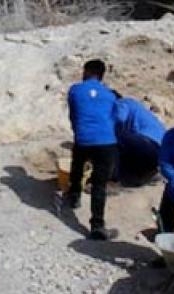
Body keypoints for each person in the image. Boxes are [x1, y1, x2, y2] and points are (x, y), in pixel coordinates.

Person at [62, 59, 117, 240]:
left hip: (84, 138)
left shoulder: (75, 90)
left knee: (78, 163)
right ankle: (97, 225)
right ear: (102, 75)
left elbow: (73, 115)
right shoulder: (110, 94)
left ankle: (74, 195)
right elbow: (114, 118)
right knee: (99, 185)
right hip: (106, 141)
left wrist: (79, 131)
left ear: (85, 71)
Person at [111, 92, 166, 186]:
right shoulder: (138, 109)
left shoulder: (121, 102)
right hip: (159, 152)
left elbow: (120, 118)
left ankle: (110, 180)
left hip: (147, 144)